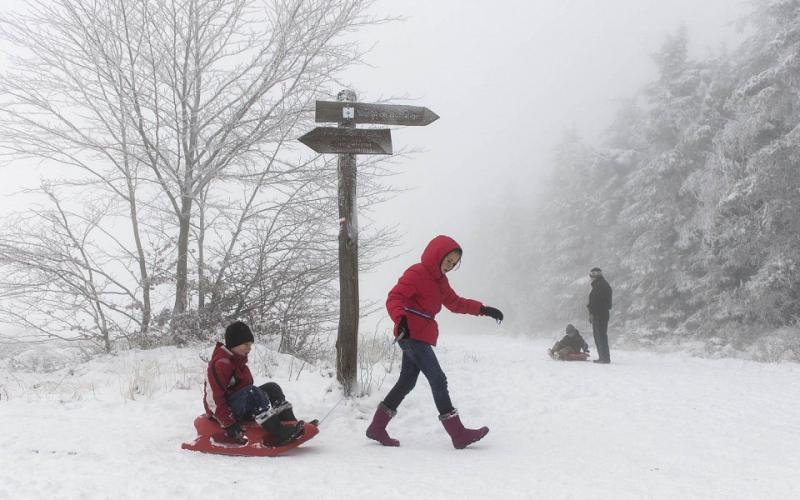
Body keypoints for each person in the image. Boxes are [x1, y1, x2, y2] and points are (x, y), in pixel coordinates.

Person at [366, 235, 505, 449]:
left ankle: (377, 427)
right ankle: (458, 434)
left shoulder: (441, 282)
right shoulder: (417, 273)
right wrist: (400, 318)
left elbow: (456, 303)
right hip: (411, 334)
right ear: (437, 255)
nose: (449, 266)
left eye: (453, 264)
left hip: (422, 335)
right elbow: (395, 296)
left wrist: (484, 310)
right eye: (448, 260)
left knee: (407, 382)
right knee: (438, 379)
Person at [203, 321, 306, 446]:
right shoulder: (221, 364)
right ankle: (278, 432)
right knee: (252, 392)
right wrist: (228, 423)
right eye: (246, 344)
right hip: (222, 413)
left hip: (240, 407)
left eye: (250, 344)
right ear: (234, 344)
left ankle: (290, 423)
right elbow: (213, 399)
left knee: (272, 388)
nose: (249, 348)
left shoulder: (238, 362)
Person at [587, 267, 613, 364]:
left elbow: (604, 303)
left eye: (592, 275)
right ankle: (602, 357)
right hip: (598, 315)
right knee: (599, 336)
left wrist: (594, 313)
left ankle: (605, 358)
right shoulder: (598, 285)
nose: (591, 278)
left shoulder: (601, 286)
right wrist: (591, 313)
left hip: (600, 315)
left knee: (601, 336)